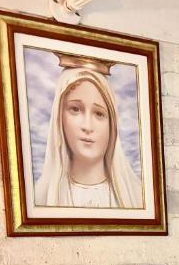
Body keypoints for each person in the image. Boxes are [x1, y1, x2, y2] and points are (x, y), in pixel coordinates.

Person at [34, 53, 143, 209]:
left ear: (112, 122)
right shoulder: (40, 197)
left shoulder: (137, 195)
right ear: (59, 117)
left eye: (99, 113)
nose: (87, 126)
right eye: (75, 109)